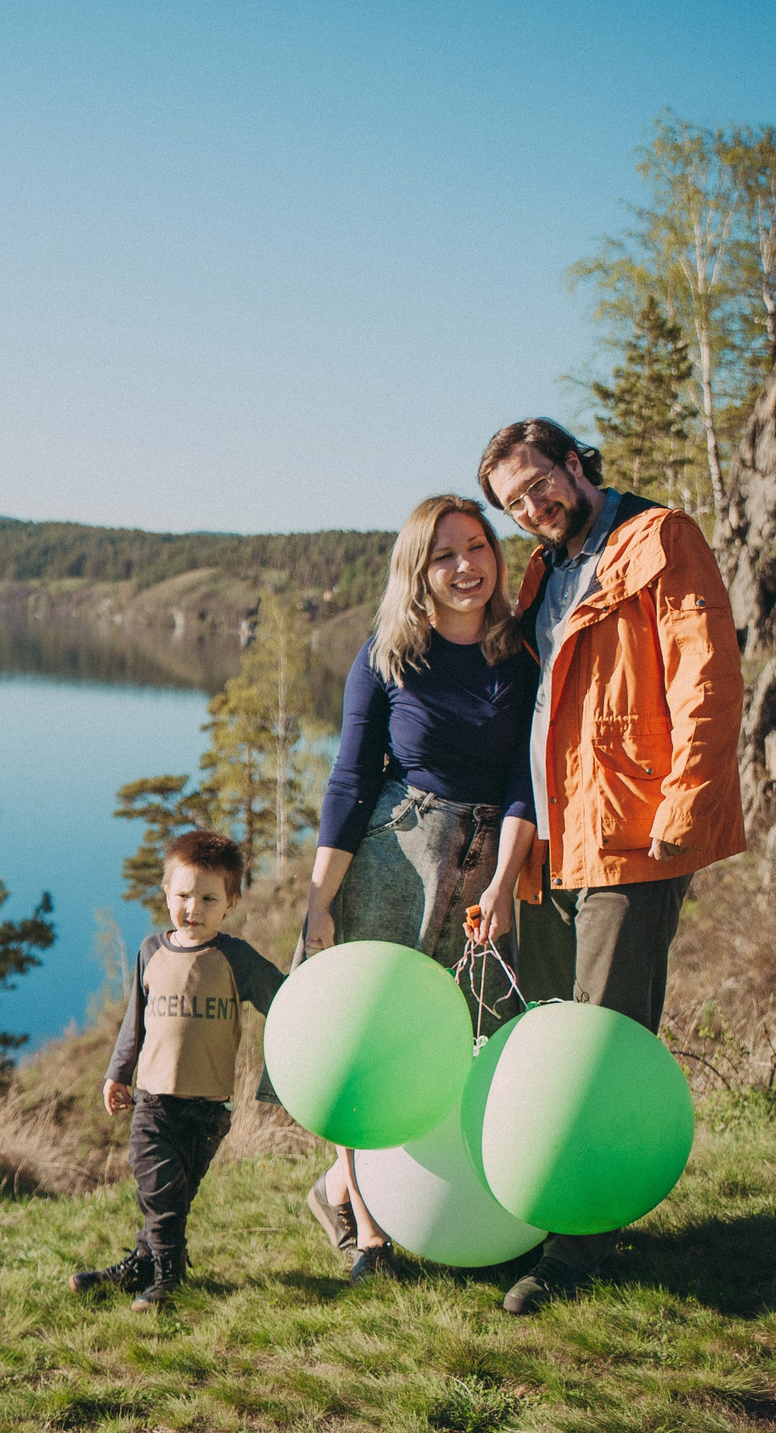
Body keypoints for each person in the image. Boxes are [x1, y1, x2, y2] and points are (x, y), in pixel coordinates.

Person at [477, 417, 745, 1314]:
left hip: (632, 834)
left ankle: (577, 1248)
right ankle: (546, 1205)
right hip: (559, 843)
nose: (531, 507)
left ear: (575, 463)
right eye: (514, 502)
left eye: (538, 484)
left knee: (604, 1043)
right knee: (554, 1031)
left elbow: (706, 677)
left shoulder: (658, 538)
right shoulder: (546, 571)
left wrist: (684, 805)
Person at [298, 494, 539, 1282]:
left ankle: (358, 1189)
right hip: (392, 860)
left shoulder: (520, 655)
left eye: (478, 546)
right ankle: (368, 1230)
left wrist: (503, 881)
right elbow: (349, 780)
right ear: (418, 569)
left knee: (456, 1044)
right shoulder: (386, 656)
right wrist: (318, 898)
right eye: (445, 554)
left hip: (483, 866)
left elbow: (521, 785)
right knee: (372, 1040)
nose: (467, 565)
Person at [75, 829, 286, 1311]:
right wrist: (117, 1073)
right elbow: (135, 1020)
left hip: (208, 1107)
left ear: (230, 902)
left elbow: (285, 1001)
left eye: (209, 898)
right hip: (153, 1099)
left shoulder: (235, 959)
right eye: (184, 895)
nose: (194, 908)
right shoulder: (152, 951)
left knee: (172, 1198)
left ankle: (141, 1265)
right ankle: (168, 1278)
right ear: (166, 893)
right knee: (158, 1186)